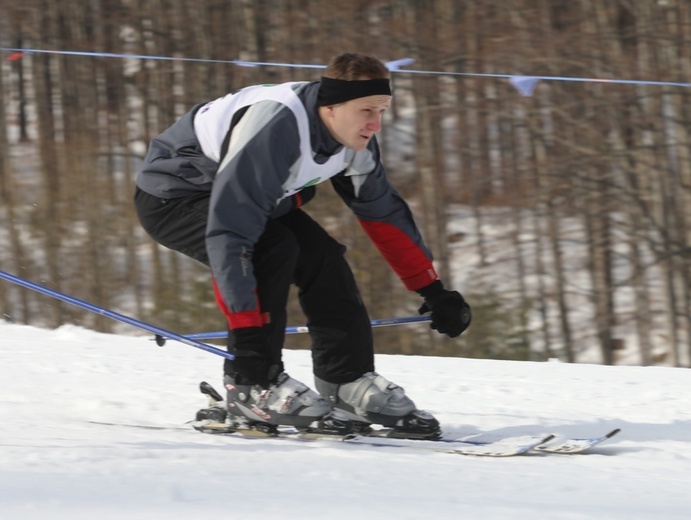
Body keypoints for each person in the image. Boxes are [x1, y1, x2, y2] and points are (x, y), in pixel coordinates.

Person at [134, 52, 471, 439]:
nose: (376, 124)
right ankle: (252, 385)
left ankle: (346, 381)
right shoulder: (276, 127)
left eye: (382, 111)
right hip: (175, 197)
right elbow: (232, 233)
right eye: (367, 111)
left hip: (251, 195)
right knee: (271, 248)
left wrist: (433, 290)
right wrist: (246, 333)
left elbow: (385, 216)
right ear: (331, 107)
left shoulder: (355, 141)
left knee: (323, 257)